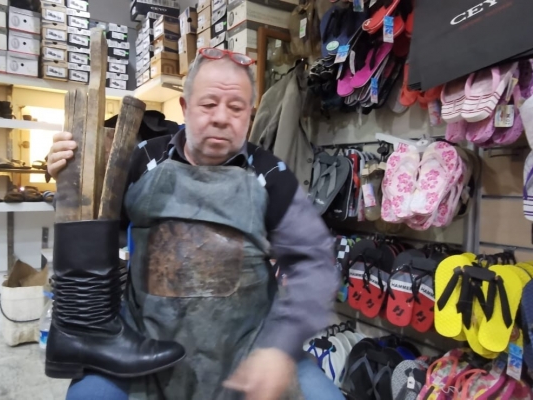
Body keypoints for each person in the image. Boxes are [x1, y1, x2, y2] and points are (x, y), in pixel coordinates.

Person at [46, 48, 342, 400]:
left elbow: (315, 263)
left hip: (249, 351)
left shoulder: (270, 174)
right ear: (185, 107)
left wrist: (280, 348)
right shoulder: (143, 159)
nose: (221, 118)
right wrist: (69, 180)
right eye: (208, 104)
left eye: (236, 108)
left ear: (250, 114)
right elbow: (90, 236)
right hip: (142, 350)